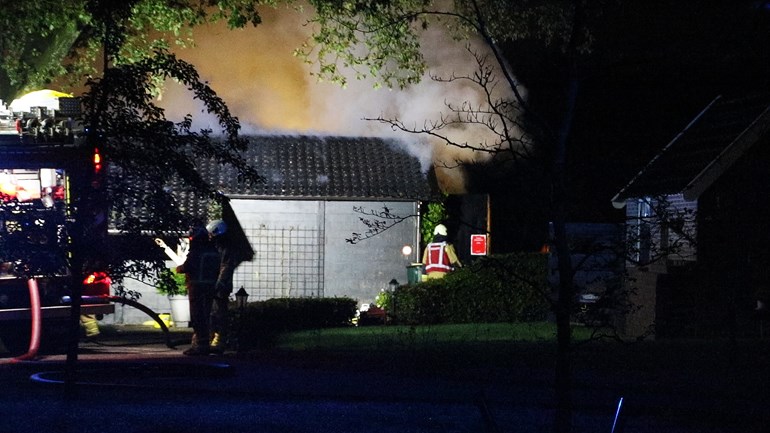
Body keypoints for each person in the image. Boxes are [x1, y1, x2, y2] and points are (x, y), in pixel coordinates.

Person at [176, 223, 219, 356]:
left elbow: (187, 267)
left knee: (197, 317)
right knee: (206, 316)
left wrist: (179, 268)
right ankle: (205, 343)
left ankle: (200, 346)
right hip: (210, 288)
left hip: (196, 288)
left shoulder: (197, 251)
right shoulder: (213, 251)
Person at [206, 219, 240, 354]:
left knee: (218, 313)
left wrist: (219, 283)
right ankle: (209, 339)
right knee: (211, 313)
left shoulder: (226, 248)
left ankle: (220, 340)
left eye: (211, 233)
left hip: (221, 287)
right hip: (212, 284)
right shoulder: (215, 246)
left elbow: (226, 267)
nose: (209, 236)